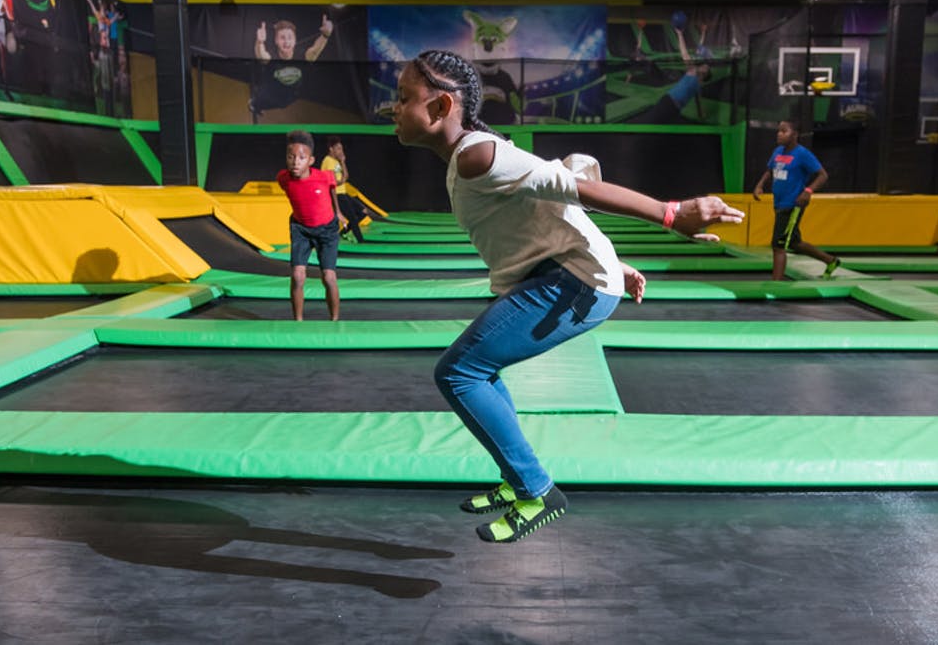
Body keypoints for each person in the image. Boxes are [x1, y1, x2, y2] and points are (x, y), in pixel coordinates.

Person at [392, 49, 743, 543]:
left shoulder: (478, 154)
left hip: (571, 285)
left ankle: (536, 490)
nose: (394, 107)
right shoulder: (476, 153)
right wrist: (611, 260)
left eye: (404, 97)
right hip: (567, 274)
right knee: (480, 369)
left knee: (459, 371)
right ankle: (516, 481)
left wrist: (672, 214)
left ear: (440, 107)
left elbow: (574, 187)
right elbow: (545, 211)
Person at [752, 120, 840, 281]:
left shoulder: (802, 154)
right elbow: (769, 170)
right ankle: (831, 261)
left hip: (793, 204)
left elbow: (822, 175)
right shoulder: (778, 152)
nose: (779, 134)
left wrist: (808, 191)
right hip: (779, 203)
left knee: (778, 245)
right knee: (794, 242)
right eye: (778, 131)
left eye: (784, 131)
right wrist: (759, 185)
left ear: (794, 134)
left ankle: (776, 283)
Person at [278, 130, 343, 321]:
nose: (295, 162)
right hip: (301, 229)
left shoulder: (324, 177)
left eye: (301, 158)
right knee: (298, 276)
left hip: (327, 230)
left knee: (329, 278)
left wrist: (337, 212)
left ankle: (335, 320)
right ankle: (298, 320)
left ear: (311, 160)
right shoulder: (283, 178)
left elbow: (332, 190)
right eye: (291, 157)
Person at [249, 16, 333, 118]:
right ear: (276, 40)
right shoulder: (272, 55)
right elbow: (261, 56)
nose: (286, 42)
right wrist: (259, 42)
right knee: (256, 103)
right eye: (282, 38)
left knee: (283, 104)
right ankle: (255, 105)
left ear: (295, 39)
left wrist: (325, 36)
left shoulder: (302, 55)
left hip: (290, 97)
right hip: (268, 94)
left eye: (290, 37)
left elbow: (314, 51)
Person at [320, 136, 366, 243]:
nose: (341, 151)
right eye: (338, 149)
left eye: (342, 149)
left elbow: (346, 176)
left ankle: (343, 232)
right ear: (331, 149)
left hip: (343, 193)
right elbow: (333, 182)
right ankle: (361, 240)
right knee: (353, 217)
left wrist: (342, 162)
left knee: (363, 211)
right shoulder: (328, 161)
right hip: (336, 194)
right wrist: (341, 180)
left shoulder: (337, 161)